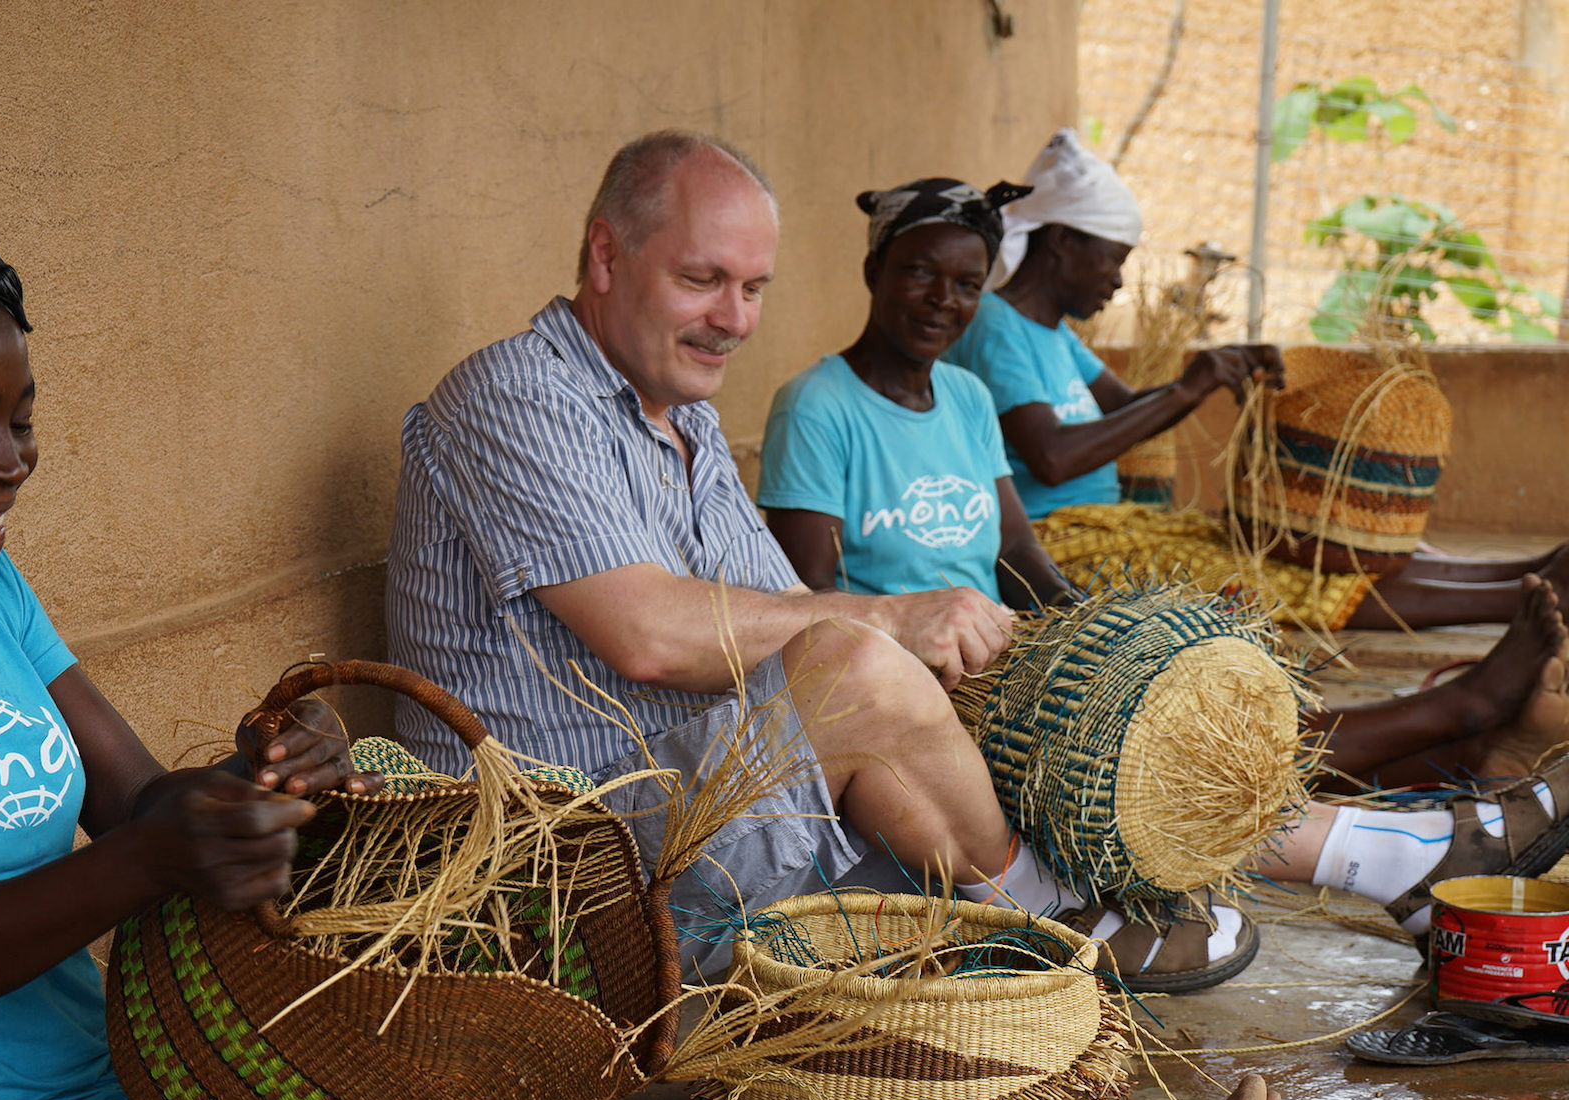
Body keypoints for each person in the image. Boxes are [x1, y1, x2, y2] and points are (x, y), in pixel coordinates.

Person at [0, 215, 1282, 1100]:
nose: (11, 459)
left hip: (131, 1091)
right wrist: (153, 863)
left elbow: (133, 807)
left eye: (20, 416)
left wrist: (253, 787)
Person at [384, 131, 1569, 991]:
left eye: (751, 289)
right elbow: (649, 631)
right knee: (862, 665)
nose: (733, 321)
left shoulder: (681, 424)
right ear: (602, 254)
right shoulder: (512, 396)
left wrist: (970, 647)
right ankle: (1068, 920)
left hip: (706, 784)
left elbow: (779, 610)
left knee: (1047, 696)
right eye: (701, 280)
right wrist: (893, 623)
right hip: (579, 848)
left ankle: (1374, 852)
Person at [761, 177, 1569, 793]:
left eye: (967, 284)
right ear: (873, 269)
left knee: (1197, 693)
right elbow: (813, 602)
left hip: (1007, 650)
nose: (944, 301)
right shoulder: (817, 407)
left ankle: (1460, 747)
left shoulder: (966, 398)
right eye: (919, 274)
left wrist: (1108, 631)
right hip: (922, 684)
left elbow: (1013, 546)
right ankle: (1457, 714)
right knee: (1173, 752)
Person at [946, 128, 1569, 639]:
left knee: (1293, 542)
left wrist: (1215, 370)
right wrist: (1190, 388)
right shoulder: (997, 330)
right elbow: (1052, 458)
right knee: (1272, 573)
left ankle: (1527, 574)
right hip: (1057, 544)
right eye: (1113, 259)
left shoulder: (1052, 335)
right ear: (1061, 243)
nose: (1117, 282)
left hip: (1111, 523)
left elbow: (1129, 411)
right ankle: (1522, 600)